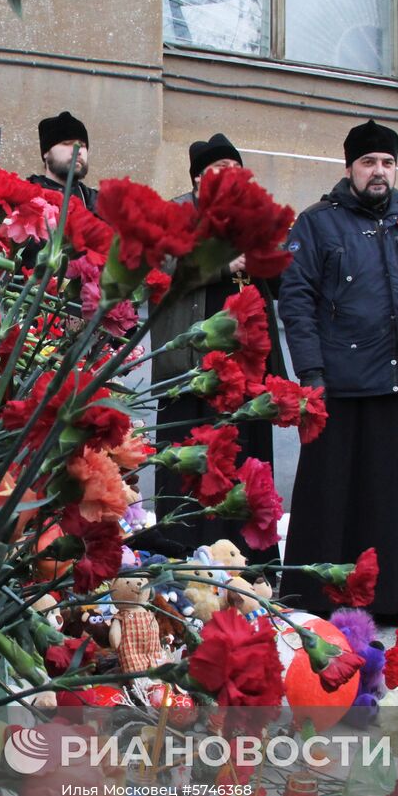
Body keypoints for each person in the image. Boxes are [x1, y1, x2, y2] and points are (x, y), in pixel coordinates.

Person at [278, 119, 398, 617]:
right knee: (332, 499)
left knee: (394, 500)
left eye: (387, 163)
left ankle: (395, 599)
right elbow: (297, 302)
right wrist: (311, 373)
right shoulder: (316, 224)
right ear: (350, 167)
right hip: (341, 383)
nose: (379, 171)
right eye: (369, 162)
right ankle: (317, 599)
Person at [149, 133, 289, 559]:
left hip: (246, 365)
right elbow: (163, 269)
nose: (229, 177)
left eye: (235, 169)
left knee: (245, 458)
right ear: (197, 179)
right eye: (218, 169)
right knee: (192, 460)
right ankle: (183, 555)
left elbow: (279, 281)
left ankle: (249, 559)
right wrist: (223, 266)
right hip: (192, 365)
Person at [27, 111, 97, 212]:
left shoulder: (99, 204)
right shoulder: (24, 197)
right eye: (67, 143)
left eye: (82, 145)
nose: (77, 151)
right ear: (46, 153)